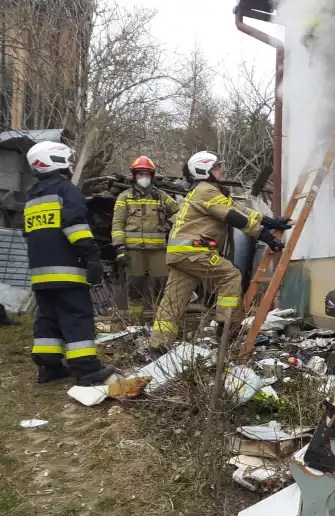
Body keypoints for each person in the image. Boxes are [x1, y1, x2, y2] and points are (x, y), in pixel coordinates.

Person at [149, 151, 293, 355]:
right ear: (203, 170)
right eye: (216, 167)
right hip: (194, 251)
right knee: (230, 275)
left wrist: (269, 221)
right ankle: (226, 328)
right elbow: (233, 216)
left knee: (173, 300)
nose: (221, 170)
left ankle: (158, 346)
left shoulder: (206, 191)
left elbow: (237, 207)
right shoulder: (206, 191)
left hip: (180, 253)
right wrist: (264, 235)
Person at [23, 141, 116, 385]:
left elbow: (29, 234)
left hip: (39, 272)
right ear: (56, 160)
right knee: (76, 316)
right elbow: (75, 227)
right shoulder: (66, 190)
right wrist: (92, 256)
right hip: (67, 270)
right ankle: (86, 370)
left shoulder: (32, 196)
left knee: (48, 318)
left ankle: (49, 367)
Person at [111, 155, 179, 319]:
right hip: (134, 251)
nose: (144, 177)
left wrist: (169, 224)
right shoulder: (124, 198)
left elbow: (180, 213)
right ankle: (135, 324)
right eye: (140, 174)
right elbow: (117, 224)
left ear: (152, 176)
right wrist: (119, 249)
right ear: (134, 176)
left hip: (158, 250)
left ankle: (163, 323)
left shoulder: (161, 196)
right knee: (135, 286)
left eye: (147, 174)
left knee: (162, 285)